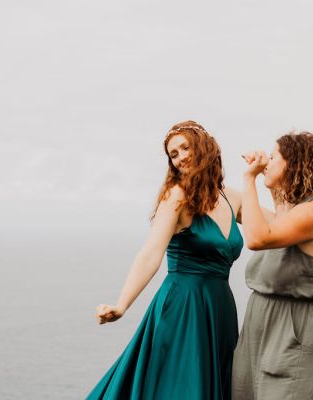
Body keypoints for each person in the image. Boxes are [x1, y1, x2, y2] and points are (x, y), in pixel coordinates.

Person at [88, 121, 243, 400]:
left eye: (185, 147)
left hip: (219, 309)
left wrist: (260, 176)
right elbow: (150, 253)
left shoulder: (230, 198)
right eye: (173, 154)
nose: (181, 157)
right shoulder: (176, 198)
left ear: (204, 147)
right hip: (183, 307)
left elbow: (275, 228)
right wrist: (122, 305)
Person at [232, 131, 313, 400]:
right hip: (262, 319)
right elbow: (236, 206)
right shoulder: (288, 216)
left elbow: (257, 238)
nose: (266, 162)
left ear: (293, 164)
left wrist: (250, 179)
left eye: (273, 157)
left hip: (297, 324)